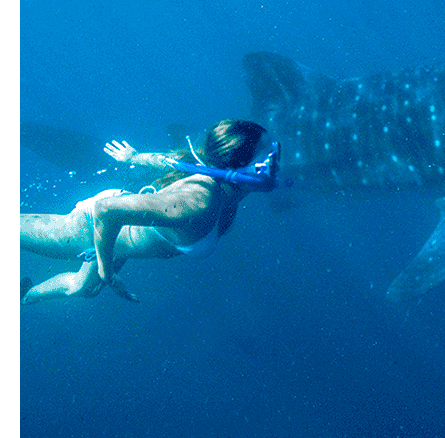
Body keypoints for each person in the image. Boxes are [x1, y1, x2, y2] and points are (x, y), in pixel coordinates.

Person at [21, 119, 278, 304]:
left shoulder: (227, 186)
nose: (276, 160)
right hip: (88, 229)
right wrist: (105, 270)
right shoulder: (198, 203)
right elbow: (105, 210)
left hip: (117, 241)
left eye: (275, 150)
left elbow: (171, 160)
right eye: (266, 156)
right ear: (237, 166)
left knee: (83, 289)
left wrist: (135, 157)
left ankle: (25, 294)